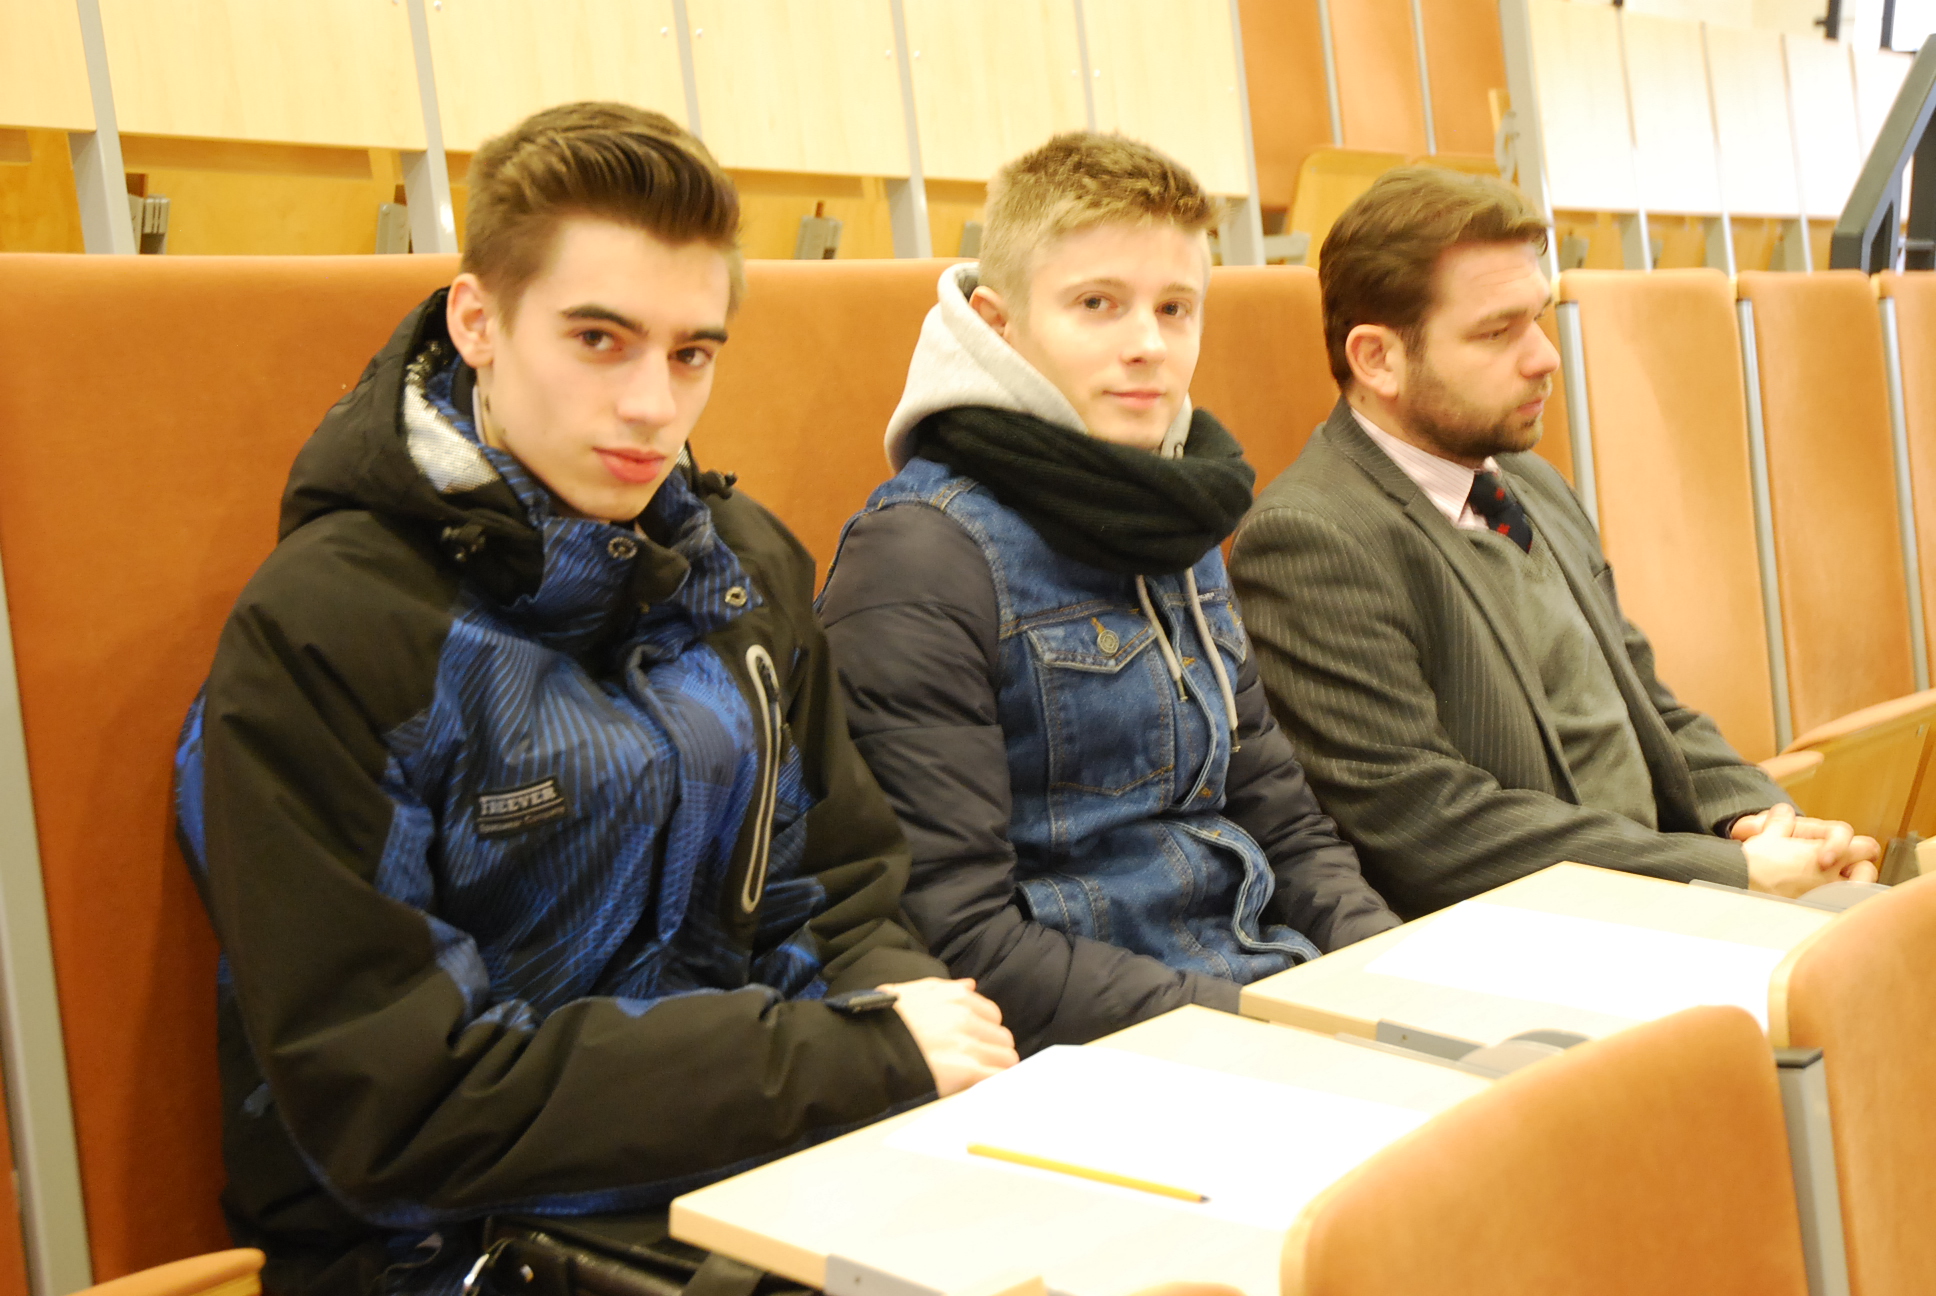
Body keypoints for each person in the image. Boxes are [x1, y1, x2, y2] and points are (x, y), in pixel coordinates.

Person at [172, 102, 1015, 1296]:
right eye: (600, 340)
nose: (652, 406)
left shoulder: (744, 567)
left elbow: (836, 889)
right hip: (449, 1253)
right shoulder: (325, 632)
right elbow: (399, 1110)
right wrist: (850, 1059)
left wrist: (904, 1013)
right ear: (477, 322)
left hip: (756, 1174)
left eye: (691, 354)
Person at [817, 133, 1399, 1057]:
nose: (1148, 346)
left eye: (1176, 308)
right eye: (1098, 304)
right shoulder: (919, 559)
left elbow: (1285, 824)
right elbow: (958, 936)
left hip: (1261, 987)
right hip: (1107, 1050)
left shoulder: (1173, 513)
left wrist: (1393, 985)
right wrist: (1268, 1031)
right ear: (997, 325)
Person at [1227, 165, 1880, 919]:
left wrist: (1763, 820)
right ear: (1377, 359)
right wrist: (1733, 872)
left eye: (1536, 318)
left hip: (1664, 893)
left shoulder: (1527, 480)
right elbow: (1432, 827)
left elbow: (1648, 707)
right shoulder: (1310, 539)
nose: (1545, 356)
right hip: (1537, 934)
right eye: (1496, 332)